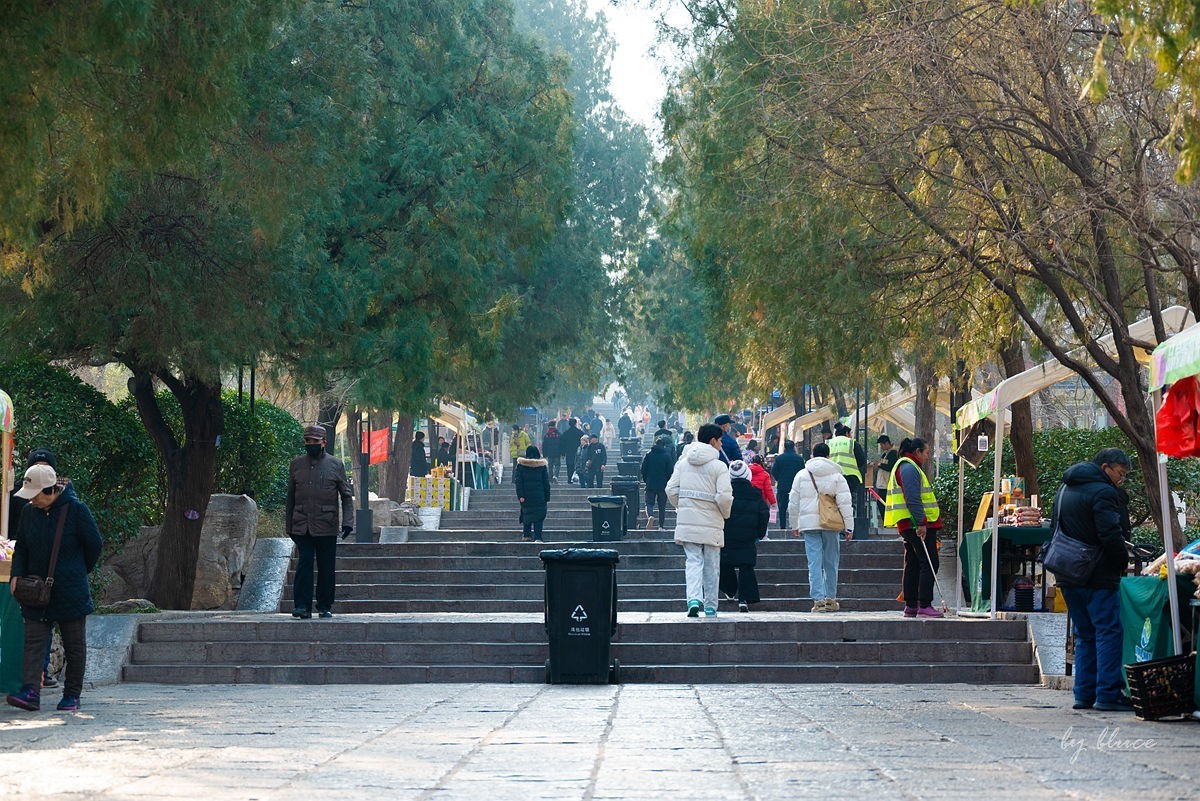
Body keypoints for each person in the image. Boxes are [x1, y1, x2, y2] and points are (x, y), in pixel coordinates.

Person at [5, 463, 102, 713]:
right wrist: (16, 575)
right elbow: (22, 547)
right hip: (36, 590)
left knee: (74, 645)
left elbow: (94, 545)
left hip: (71, 591)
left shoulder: (76, 510)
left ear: (50, 491)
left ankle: (71, 695)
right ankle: (30, 692)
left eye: (35, 495)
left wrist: (76, 572)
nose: (31, 500)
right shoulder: (29, 512)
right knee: (34, 642)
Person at [1055, 448, 1135, 712]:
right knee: (1109, 631)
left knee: (1085, 634)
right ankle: (1108, 694)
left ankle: (1084, 694)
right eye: (1120, 474)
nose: (1120, 480)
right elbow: (1110, 533)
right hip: (1097, 574)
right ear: (1105, 467)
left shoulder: (1065, 488)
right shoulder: (1103, 493)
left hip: (1067, 572)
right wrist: (1122, 560)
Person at [285, 425, 354, 619]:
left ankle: (324, 605)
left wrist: (348, 522)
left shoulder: (335, 464)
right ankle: (301, 606)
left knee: (326, 566)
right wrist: (289, 525)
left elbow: (346, 496)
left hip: (327, 524)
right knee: (304, 563)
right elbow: (290, 496)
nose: (311, 445)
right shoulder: (296, 464)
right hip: (302, 523)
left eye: (315, 441)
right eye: (308, 441)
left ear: (323, 442)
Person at [7, 446, 62, 690]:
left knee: (46, 620)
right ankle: (26, 679)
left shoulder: (65, 500)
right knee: (26, 623)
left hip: (51, 572)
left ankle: (40, 673)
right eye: (36, 465)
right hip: (22, 565)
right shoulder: (19, 495)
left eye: (45, 466)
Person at [667, 423, 734, 617]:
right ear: (713, 441)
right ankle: (711, 605)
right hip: (712, 521)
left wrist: (681, 506)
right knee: (712, 564)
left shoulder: (684, 463)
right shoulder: (719, 466)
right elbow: (724, 497)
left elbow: (671, 489)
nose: (721, 444)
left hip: (688, 521)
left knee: (693, 561)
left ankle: (693, 599)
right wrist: (725, 513)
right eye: (720, 440)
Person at [883, 437, 944, 618]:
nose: (927, 456)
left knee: (914, 562)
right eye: (926, 452)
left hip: (908, 523)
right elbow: (913, 498)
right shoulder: (909, 468)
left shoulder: (906, 467)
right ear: (917, 451)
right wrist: (921, 523)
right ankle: (924, 603)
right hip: (915, 523)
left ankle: (911, 605)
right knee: (929, 561)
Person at [789, 442, 854, 612]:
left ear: (812, 455)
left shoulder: (802, 475)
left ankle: (818, 601)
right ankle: (831, 599)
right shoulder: (837, 476)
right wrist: (849, 527)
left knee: (814, 562)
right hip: (831, 524)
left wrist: (794, 524)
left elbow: (793, 502)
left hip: (809, 525)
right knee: (831, 561)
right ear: (828, 456)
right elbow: (845, 503)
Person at [719, 460, 770, 612]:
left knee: (725, 564)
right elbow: (764, 514)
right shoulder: (755, 494)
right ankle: (744, 599)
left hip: (727, 535)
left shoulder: (725, 492)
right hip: (748, 536)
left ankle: (729, 590)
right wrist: (759, 533)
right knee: (746, 566)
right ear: (747, 475)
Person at [827, 423, 867, 536]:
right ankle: (848, 530)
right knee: (848, 504)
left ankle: (835, 530)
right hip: (850, 477)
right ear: (846, 433)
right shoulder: (852, 443)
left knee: (833, 503)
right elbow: (862, 461)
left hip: (831, 478)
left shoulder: (828, 443)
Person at [514, 445, 551, 542]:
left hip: (526, 496)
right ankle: (538, 537)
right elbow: (546, 483)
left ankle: (527, 535)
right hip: (539, 496)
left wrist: (520, 495)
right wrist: (547, 496)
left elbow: (518, 482)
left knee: (527, 514)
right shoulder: (541, 466)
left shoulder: (521, 465)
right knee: (539, 516)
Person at [640, 437, 675, 530]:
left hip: (650, 483)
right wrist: (667, 481)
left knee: (649, 503)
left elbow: (643, 469)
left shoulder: (649, 454)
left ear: (654, 444)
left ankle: (650, 516)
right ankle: (661, 526)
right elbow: (670, 471)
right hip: (663, 484)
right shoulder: (667, 455)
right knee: (662, 506)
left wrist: (646, 479)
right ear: (664, 445)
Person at [771, 440, 804, 532]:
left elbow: (774, 472)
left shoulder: (779, 458)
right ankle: (795, 526)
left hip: (782, 486)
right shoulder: (799, 459)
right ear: (794, 447)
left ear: (784, 448)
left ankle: (782, 526)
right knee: (796, 506)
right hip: (796, 486)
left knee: (782, 507)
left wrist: (779, 479)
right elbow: (803, 472)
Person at [872, 435, 898, 519]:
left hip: (887, 484)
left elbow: (891, 467)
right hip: (882, 483)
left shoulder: (893, 454)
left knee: (883, 503)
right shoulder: (885, 454)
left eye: (882, 445)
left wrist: (879, 464)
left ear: (886, 443)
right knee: (881, 503)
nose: (881, 447)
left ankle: (887, 520)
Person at [559, 417, 584, 484]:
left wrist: (563, 453)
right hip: (578, 452)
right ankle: (579, 479)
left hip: (569, 452)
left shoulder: (566, 433)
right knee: (579, 465)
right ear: (576, 424)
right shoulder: (580, 433)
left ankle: (569, 479)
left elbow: (562, 444)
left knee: (569, 466)